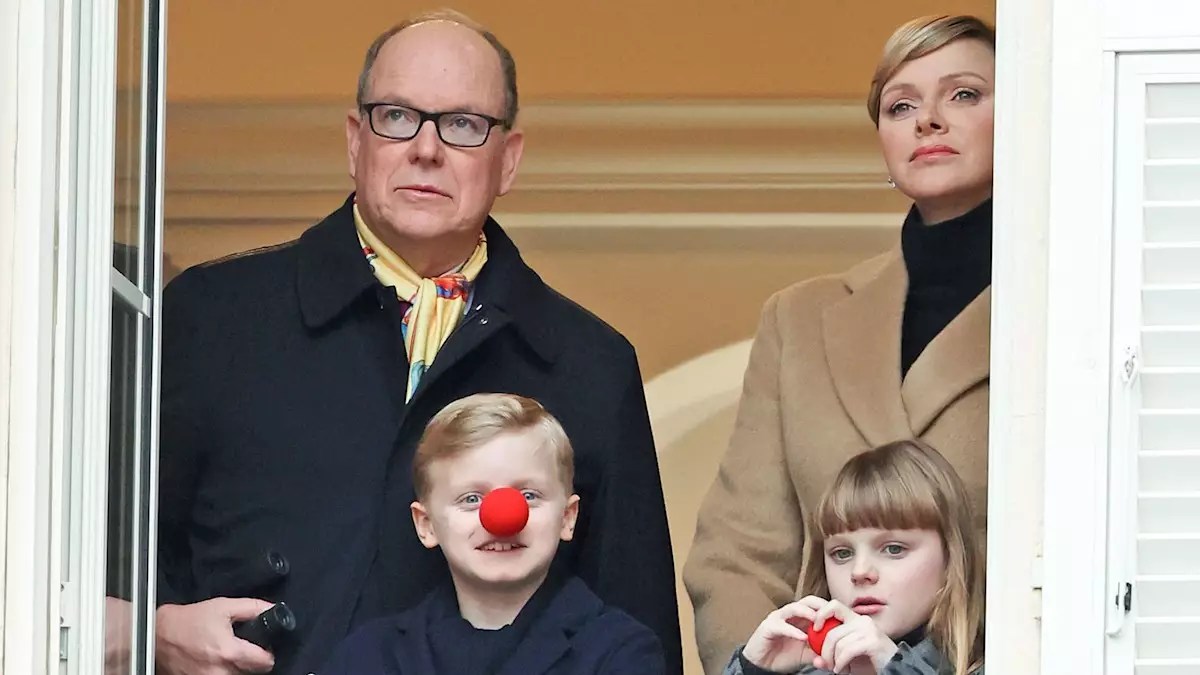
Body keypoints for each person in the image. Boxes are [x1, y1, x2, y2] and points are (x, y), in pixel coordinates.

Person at [151, 10, 680, 675]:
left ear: (508, 160)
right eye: (397, 116)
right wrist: (154, 630)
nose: (426, 149)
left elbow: (638, 625)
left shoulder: (590, 364)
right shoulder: (214, 314)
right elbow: (98, 544)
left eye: (463, 125)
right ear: (355, 140)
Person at [684, 15, 995, 674]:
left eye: (963, 94)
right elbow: (736, 551)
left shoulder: (1072, 315)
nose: (928, 120)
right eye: (901, 105)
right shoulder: (799, 318)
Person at [320, 393, 666, 674]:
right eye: (472, 499)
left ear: (568, 517)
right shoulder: (368, 657)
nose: (501, 517)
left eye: (528, 496)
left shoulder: (620, 652)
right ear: (426, 525)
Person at [722, 440, 984, 675]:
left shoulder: (1007, 661)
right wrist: (751, 669)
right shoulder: (811, 667)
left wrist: (894, 668)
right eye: (842, 553)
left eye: (893, 549)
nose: (859, 571)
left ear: (952, 556)